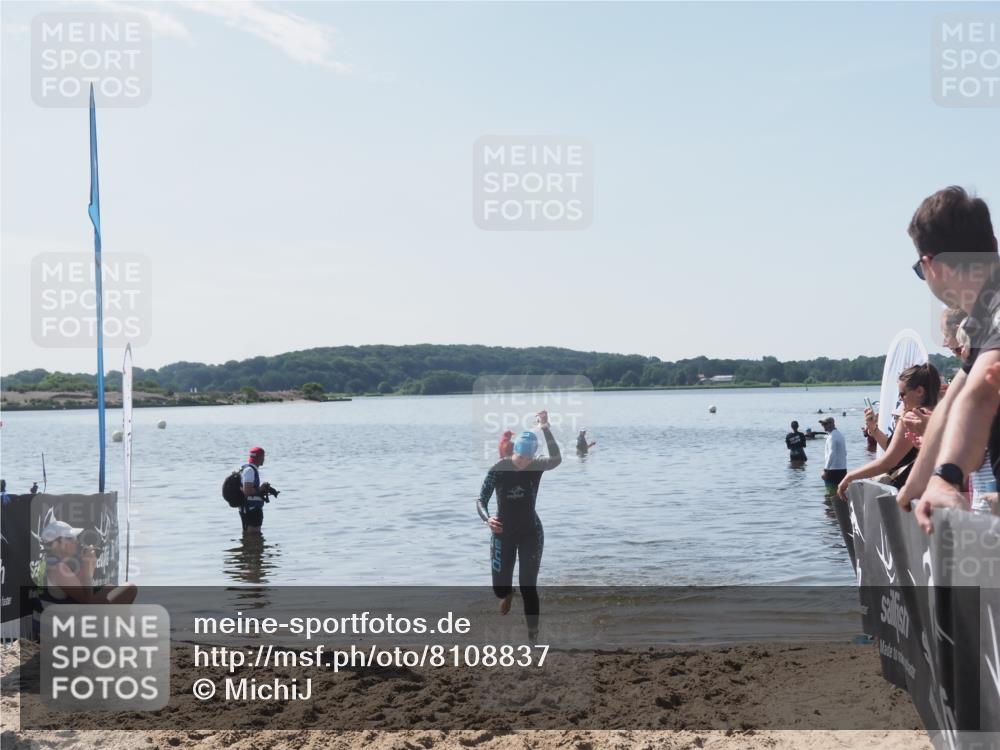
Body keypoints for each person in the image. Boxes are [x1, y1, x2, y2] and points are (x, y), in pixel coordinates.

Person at [891, 187, 999, 533]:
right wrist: (917, 483)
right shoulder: (986, 313)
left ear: (930, 265)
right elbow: (954, 401)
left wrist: (946, 477)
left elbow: (981, 392)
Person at [476, 411, 561, 641]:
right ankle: (507, 593)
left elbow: (556, 458)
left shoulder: (536, 466)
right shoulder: (499, 468)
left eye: (528, 458)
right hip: (502, 532)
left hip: (530, 532)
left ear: (533, 456)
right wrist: (487, 519)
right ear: (514, 452)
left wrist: (545, 427)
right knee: (499, 590)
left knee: (528, 585)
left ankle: (533, 635)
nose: (523, 463)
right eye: (520, 458)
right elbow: (480, 500)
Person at [838, 364, 941, 498]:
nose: (900, 398)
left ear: (920, 391)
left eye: (902, 394)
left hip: (911, 495)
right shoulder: (942, 413)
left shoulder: (911, 418)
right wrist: (874, 429)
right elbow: (897, 451)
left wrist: (850, 476)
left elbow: (888, 462)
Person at [36, 519, 137, 606]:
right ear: (56, 544)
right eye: (71, 538)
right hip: (64, 623)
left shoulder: (46, 562)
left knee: (109, 588)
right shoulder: (58, 568)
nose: (76, 541)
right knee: (129, 588)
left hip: (52, 615)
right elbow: (87, 602)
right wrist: (88, 567)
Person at [240, 446, 278, 534]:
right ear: (260, 457)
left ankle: (247, 547)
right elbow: (247, 491)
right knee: (254, 535)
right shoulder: (250, 470)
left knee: (248, 536)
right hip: (252, 510)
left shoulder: (247, 469)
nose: (264, 459)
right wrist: (261, 488)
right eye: (263, 457)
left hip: (248, 509)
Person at [819, 417, 847, 497]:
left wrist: (825, 470)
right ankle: (840, 509)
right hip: (842, 470)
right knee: (841, 495)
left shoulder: (832, 437)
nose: (823, 426)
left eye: (825, 424)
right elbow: (845, 453)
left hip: (832, 471)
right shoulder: (840, 435)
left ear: (832, 423)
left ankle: (830, 509)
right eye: (822, 424)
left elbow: (832, 453)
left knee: (830, 496)